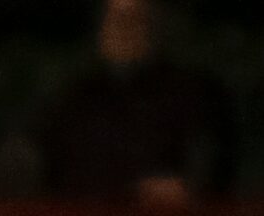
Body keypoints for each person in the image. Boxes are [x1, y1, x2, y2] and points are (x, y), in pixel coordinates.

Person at [18, 0, 237, 204]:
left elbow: (206, 174)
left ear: (155, 27)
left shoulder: (193, 96)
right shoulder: (70, 99)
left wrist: (188, 189)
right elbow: (28, 165)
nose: (124, 30)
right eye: (116, 19)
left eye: (135, 20)